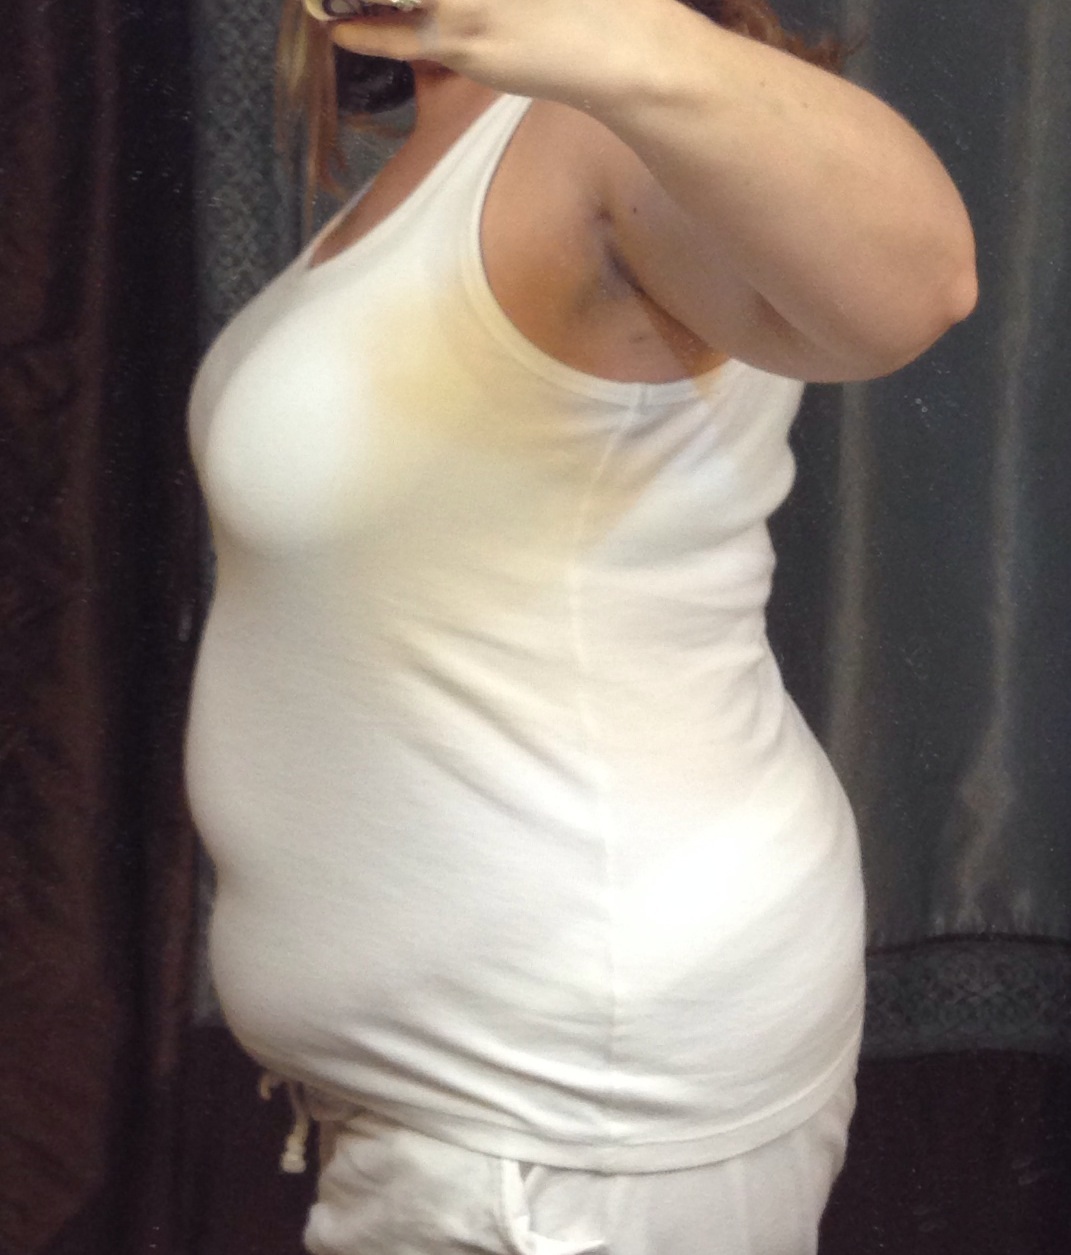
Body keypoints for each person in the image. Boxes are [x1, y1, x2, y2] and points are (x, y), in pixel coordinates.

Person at [183, 0, 977, 1251]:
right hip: (480, 1112)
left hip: (571, 1120)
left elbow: (919, 287)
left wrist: (625, 37)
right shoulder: (445, 146)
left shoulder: (592, 127)